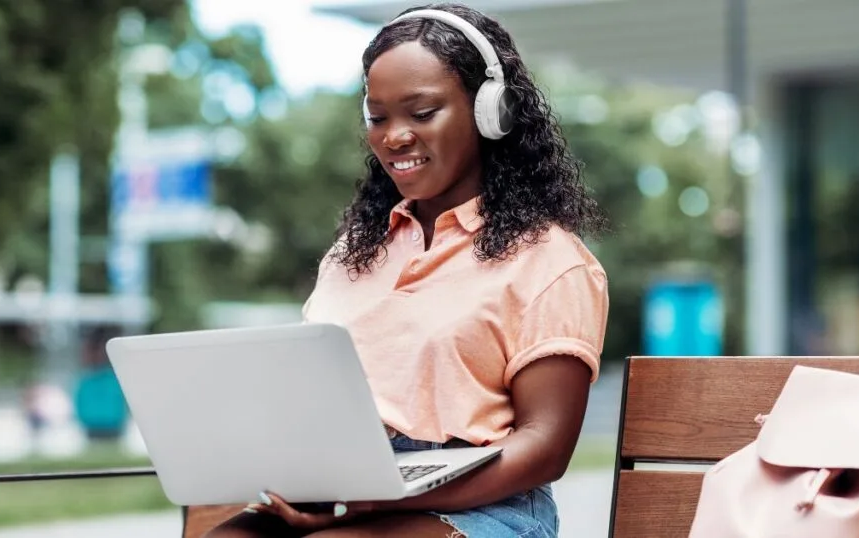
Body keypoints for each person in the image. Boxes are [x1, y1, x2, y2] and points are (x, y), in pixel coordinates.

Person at [205, 3, 608, 537]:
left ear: (492, 112)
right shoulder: (355, 252)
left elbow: (544, 448)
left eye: (421, 113)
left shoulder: (551, 262)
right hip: (352, 490)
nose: (394, 137)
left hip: (484, 507)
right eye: (378, 117)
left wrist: (383, 498)